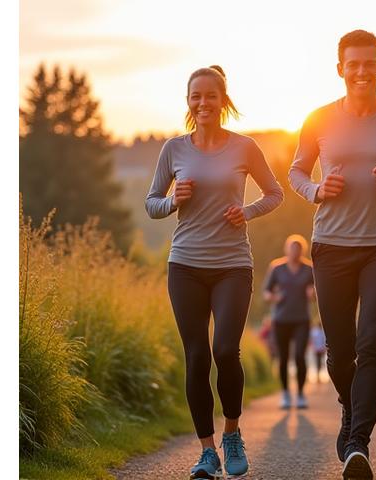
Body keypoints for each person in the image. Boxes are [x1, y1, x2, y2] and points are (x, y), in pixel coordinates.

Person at [289, 30, 376, 479]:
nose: (361, 71)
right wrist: (315, 190)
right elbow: (296, 169)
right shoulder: (318, 119)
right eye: (353, 64)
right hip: (330, 246)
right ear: (340, 69)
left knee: (373, 342)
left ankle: (358, 444)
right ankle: (350, 409)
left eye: (369, 63)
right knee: (339, 351)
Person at [145, 65, 283, 480]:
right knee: (196, 355)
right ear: (189, 102)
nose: (203, 103)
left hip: (232, 265)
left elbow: (275, 193)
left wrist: (248, 211)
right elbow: (152, 203)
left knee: (225, 349)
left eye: (211, 95)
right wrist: (172, 201)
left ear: (223, 100)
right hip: (185, 264)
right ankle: (207, 451)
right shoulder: (173, 149)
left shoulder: (244, 147)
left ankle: (233, 434)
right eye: (195, 96)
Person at [263, 234, 315, 409]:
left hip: (301, 319)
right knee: (283, 357)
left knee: (300, 356)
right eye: (292, 248)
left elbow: (316, 292)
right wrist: (274, 297)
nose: (294, 252)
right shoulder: (277, 268)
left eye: (298, 249)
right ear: (286, 249)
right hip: (281, 319)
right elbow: (266, 292)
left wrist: (312, 293)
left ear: (303, 251)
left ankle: (300, 394)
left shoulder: (309, 269)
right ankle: (285, 393)